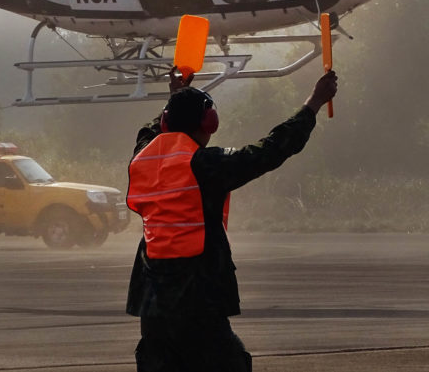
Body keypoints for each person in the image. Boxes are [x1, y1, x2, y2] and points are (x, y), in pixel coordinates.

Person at [126, 67, 338, 372]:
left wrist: (175, 98)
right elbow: (271, 149)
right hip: (198, 302)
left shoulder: (142, 156)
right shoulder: (205, 165)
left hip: (153, 306)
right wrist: (313, 102)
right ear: (208, 123)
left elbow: (154, 129)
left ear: (165, 121)